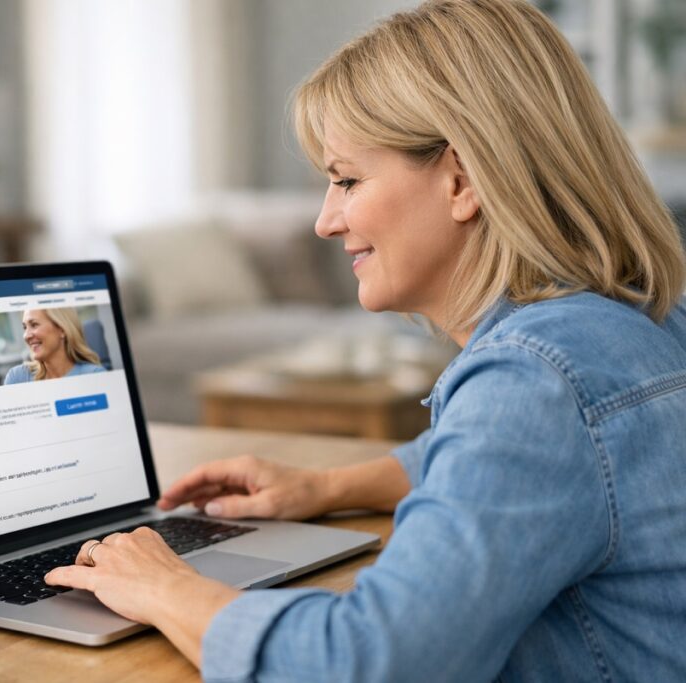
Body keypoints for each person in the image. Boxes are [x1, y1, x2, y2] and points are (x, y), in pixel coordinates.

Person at [43, 1, 686, 680]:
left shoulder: (536, 381)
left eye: (347, 179)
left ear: (463, 179)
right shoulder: (640, 314)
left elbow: (368, 661)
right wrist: (328, 485)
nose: (326, 220)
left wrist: (163, 586)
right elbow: (539, 460)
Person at [3, 308, 105, 384]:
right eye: (25, 327)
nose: (26, 335)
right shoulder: (17, 377)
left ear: (62, 329)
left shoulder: (95, 376)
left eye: (34, 325)